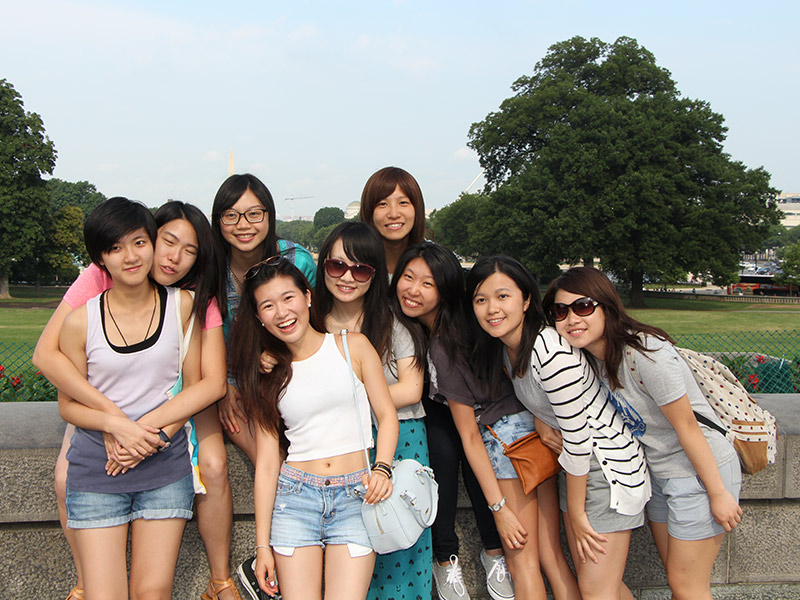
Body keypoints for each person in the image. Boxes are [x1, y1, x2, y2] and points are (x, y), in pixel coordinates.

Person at [34, 201, 235, 600]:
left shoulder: (189, 303)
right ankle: (84, 581)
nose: (172, 256)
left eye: (189, 249)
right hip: (102, 445)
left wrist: (145, 434)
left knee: (211, 468)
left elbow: (204, 385)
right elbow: (53, 369)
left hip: (165, 437)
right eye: (168, 242)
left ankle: (219, 578)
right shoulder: (92, 293)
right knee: (65, 481)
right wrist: (116, 421)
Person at [543, 267, 742, 600]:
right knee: (677, 580)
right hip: (661, 477)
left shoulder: (646, 353)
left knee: (688, 587)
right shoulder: (590, 359)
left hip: (699, 472)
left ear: (606, 305)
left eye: (583, 306)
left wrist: (718, 492)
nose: (571, 318)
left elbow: (688, 427)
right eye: (560, 311)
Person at [468, 256, 651, 600]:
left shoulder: (549, 350)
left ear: (525, 301)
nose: (492, 308)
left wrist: (579, 514)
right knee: (603, 585)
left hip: (606, 473)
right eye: (481, 299)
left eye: (503, 296)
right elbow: (553, 405)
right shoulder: (511, 350)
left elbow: (580, 440)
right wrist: (541, 417)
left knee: (597, 591)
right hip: (581, 472)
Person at [227, 257, 399, 600]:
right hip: (296, 500)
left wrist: (383, 467)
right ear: (259, 318)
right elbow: (266, 463)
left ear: (307, 297)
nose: (281, 312)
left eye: (288, 298)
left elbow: (387, 415)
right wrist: (263, 546)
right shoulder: (267, 374)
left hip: (356, 495)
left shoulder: (353, 346)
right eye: (268, 305)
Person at [310, 222, 430, 600]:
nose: (348, 277)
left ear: (375, 275)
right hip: (338, 446)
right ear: (323, 266)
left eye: (360, 269)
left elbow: (412, 388)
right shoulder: (310, 324)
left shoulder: (392, 322)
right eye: (337, 266)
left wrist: (348, 398)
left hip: (399, 440)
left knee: (399, 545)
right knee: (352, 552)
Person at [390, 242, 515, 600]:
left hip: (478, 411)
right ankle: (445, 557)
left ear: (445, 291)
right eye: (408, 278)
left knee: (471, 454)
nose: (413, 290)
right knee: (440, 457)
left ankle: (493, 551)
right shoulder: (398, 320)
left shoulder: (457, 333)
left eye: (427, 284)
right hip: (437, 408)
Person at [359, 166, 426, 276]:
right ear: (369, 211)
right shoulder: (353, 269)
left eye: (403, 203)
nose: (394, 214)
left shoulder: (436, 264)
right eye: (383, 204)